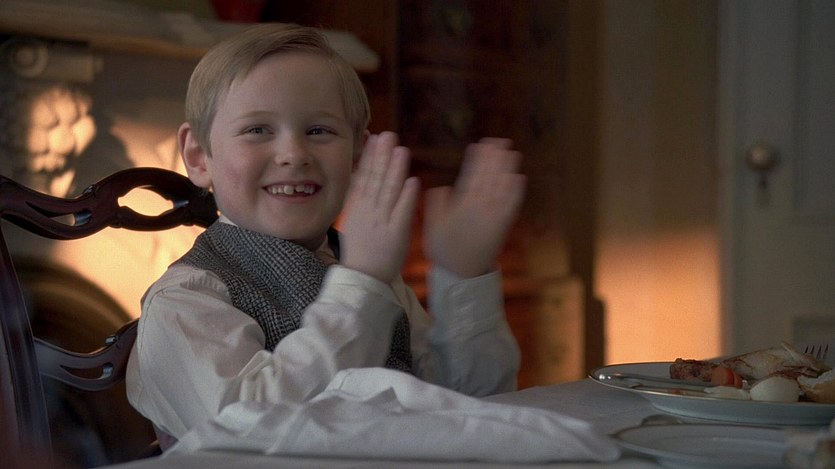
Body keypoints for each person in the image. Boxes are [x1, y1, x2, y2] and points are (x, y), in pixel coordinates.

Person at [125, 23, 526, 449]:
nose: (294, 154)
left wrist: (462, 275)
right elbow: (255, 436)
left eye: (319, 131)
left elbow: (469, 409)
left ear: (357, 154)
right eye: (258, 129)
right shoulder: (183, 302)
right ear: (198, 156)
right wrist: (363, 283)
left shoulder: (368, 273)